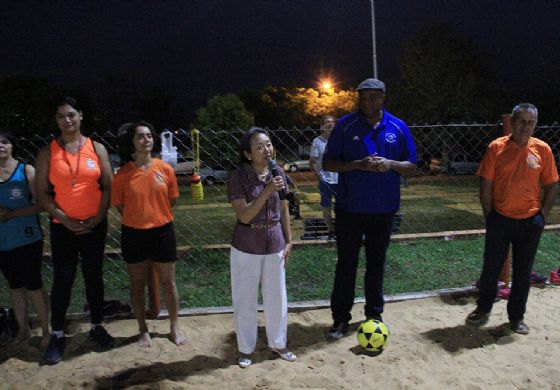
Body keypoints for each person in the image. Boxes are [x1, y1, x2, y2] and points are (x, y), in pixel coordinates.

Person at [323, 78, 417, 339]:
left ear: (383, 97)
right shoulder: (345, 125)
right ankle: (340, 319)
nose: (368, 102)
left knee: (377, 264)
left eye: (373, 97)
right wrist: (358, 164)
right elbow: (329, 163)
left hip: (384, 210)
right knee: (346, 265)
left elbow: (413, 165)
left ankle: (374, 316)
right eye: (363, 97)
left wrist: (390, 163)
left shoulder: (398, 127)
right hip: (350, 209)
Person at [466, 103, 558, 334]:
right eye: (521, 121)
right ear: (513, 122)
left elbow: (551, 184)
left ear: (536, 124)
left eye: (531, 122)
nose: (525, 126)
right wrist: (490, 215)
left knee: (523, 272)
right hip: (500, 219)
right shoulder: (496, 148)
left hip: (530, 221)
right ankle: (483, 309)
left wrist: (542, 216)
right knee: (491, 268)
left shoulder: (542, 150)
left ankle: (516, 317)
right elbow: (485, 184)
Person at [35, 96, 114, 364]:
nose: (67, 121)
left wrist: (99, 216)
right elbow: (43, 195)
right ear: (56, 120)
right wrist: (64, 219)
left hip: (94, 225)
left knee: (94, 275)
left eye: (71, 115)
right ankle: (57, 334)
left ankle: (96, 326)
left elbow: (107, 186)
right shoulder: (47, 153)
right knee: (64, 279)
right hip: (63, 227)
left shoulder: (97, 149)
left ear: (80, 116)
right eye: (60, 117)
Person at [112, 121, 186, 347]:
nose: (146, 140)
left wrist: (155, 215)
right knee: (137, 283)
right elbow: (120, 206)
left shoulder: (164, 169)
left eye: (149, 136)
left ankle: (174, 326)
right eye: (140, 136)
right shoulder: (123, 174)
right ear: (132, 143)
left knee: (169, 283)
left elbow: (171, 199)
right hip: (134, 234)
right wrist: (139, 218)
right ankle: (142, 329)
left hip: (162, 231)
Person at [227, 127, 296, 368]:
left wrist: (288, 239)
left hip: (274, 242)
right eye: (259, 146)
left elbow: (284, 207)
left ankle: (278, 343)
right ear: (247, 154)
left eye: (268, 145)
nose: (266, 150)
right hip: (247, 244)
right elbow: (244, 216)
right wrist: (267, 191)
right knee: (245, 299)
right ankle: (246, 349)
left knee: (277, 297)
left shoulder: (278, 172)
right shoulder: (238, 177)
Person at [0, 132, 50, 348]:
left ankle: (47, 330)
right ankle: (23, 330)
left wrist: (12, 214)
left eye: (5, 142)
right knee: (14, 286)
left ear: (12, 146)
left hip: (28, 237)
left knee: (34, 284)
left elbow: (42, 204)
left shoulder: (25, 170)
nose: (1, 146)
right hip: (3, 241)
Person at [310, 115, 338, 237]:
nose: (331, 124)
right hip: (325, 179)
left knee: (342, 206)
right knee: (326, 206)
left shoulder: (339, 140)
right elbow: (312, 161)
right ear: (322, 126)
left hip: (339, 179)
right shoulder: (317, 141)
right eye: (327, 122)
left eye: (333, 122)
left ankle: (342, 227)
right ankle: (331, 230)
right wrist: (319, 176)